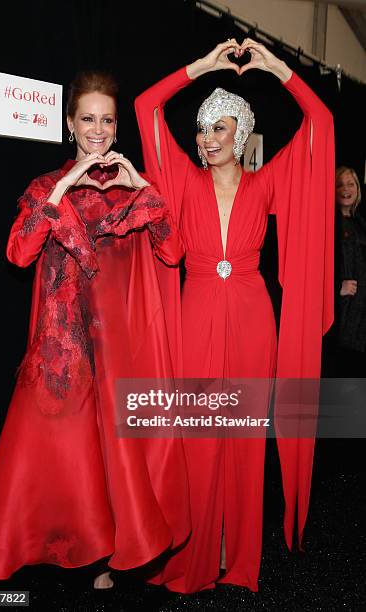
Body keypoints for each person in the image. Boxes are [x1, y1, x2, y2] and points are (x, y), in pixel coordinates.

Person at [0, 70, 190, 589]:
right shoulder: (47, 187)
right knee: (51, 456)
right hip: (63, 348)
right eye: (87, 118)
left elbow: (174, 252)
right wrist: (67, 183)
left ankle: (108, 559)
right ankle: (37, 552)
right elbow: (18, 252)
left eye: (107, 120)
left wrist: (142, 188)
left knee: (111, 458)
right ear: (70, 124)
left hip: (115, 346)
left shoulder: (131, 192)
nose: (98, 129)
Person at [135, 38, 334, 592]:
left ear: (241, 135)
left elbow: (321, 122)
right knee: (199, 436)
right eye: (204, 128)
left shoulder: (265, 182)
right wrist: (198, 67)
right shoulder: (181, 180)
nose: (208, 138)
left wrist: (280, 71)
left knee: (244, 438)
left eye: (221, 128)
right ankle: (194, 556)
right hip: (196, 310)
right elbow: (145, 108)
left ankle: (239, 556)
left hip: (251, 315)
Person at [334, 166, 366, 376]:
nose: (346, 189)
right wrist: (338, 287)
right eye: (340, 185)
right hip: (344, 313)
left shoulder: (361, 223)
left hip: (362, 312)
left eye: (351, 184)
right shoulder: (329, 223)